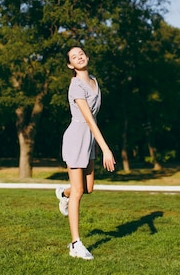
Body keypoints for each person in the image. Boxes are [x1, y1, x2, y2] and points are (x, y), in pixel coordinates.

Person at [55, 46, 116, 260]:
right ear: (70, 65)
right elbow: (88, 119)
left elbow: (94, 119)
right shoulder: (75, 86)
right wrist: (106, 149)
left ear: (87, 57)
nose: (79, 57)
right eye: (74, 57)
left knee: (88, 188)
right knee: (79, 191)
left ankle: (63, 194)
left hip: (89, 139)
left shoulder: (94, 81)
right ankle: (75, 244)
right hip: (76, 138)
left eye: (81, 53)